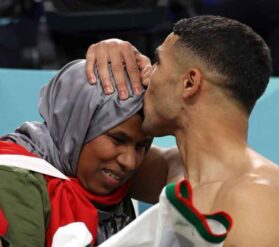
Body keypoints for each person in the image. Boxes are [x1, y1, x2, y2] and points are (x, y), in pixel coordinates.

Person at [86, 15, 279, 246]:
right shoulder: (176, 169)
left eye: (157, 63)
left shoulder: (258, 196)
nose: (146, 76)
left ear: (189, 83)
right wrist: (112, 50)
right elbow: (80, 152)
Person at [0, 59, 186, 246]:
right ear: (76, 125)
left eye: (141, 146)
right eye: (117, 140)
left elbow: (192, 165)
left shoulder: (111, 186)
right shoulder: (13, 178)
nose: (129, 162)